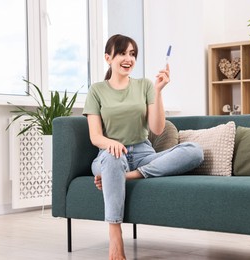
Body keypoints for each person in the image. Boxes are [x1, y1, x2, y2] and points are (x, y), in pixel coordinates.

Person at [82, 34, 204, 260]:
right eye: (122, 53)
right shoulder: (97, 90)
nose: (128, 58)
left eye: (132, 54)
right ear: (108, 58)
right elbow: (96, 136)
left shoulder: (145, 86)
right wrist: (113, 144)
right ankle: (115, 234)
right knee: (112, 159)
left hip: (142, 154)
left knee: (194, 151)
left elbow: (157, 129)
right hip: (108, 156)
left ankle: (128, 176)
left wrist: (158, 91)